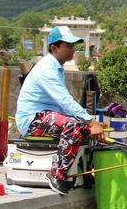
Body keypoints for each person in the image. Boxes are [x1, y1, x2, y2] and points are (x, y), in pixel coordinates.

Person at [15, 26, 106, 195]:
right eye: (68, 46)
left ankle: (86, 173)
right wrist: (90, 121)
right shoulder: (46, 68)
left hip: (48, 116)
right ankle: (56, 175)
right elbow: (64, 100)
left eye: (73, 46)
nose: (72, 50)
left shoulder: (57, 67)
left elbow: (62, 106)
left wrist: (91, 124)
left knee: (86, 127)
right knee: (76, 126)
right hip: (32, 120)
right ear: (54, 48)